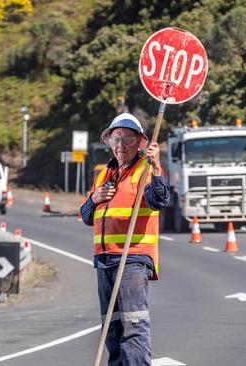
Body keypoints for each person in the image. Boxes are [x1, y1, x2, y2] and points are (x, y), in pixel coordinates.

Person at [80, 113, 170, 366]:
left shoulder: (145, 170)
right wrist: (94, 198)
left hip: (132, 257)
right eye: (116, 139)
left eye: (128, 139)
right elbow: (86, 216)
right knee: (112, 326)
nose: (121, 145)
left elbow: (159, 200)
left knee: (133, 324)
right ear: (109, 141)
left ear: (139, 142)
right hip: (104, 259)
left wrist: (156, 164)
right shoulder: (103, 175)